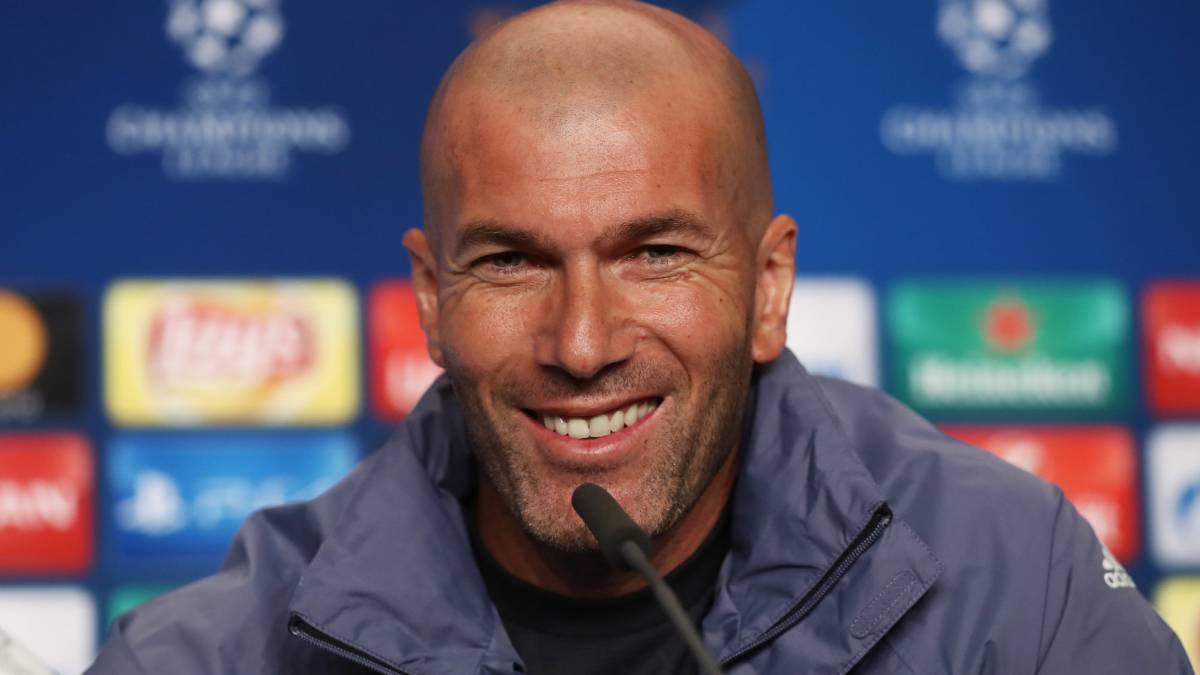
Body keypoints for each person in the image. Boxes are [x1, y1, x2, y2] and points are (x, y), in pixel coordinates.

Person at [88, 2, 1192, 674]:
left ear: (768, 286)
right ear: (430, 297)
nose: (582, 343)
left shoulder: (1016, 592)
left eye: (655, 254)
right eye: (512, 262)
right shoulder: (213, 655)